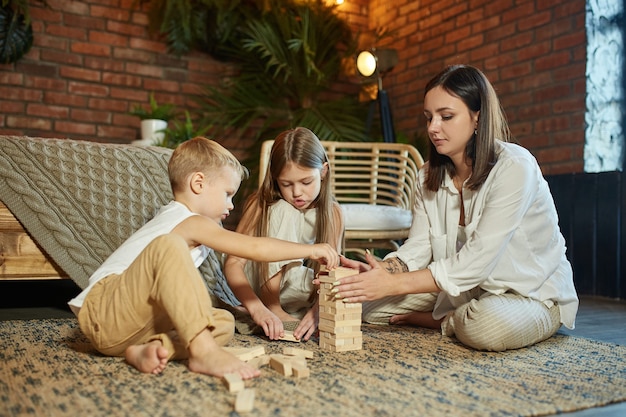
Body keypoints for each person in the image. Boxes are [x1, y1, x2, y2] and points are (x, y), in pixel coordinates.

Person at [335, 65, 579, 351]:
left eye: (446, 117)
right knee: (370, 308)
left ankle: (446, 321)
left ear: (477, 117)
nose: (432, 128)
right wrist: (384, 271)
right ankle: (455, 316)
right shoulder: (427, 176)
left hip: (529, 294)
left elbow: (477, 261)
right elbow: (419, 245)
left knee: (485, 327)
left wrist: (394, 285)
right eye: (428, 117)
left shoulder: (515, 167)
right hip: (467, 291)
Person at [68, 137, 339, 378]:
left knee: (221, 323)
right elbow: (254, 248)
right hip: (104, 310)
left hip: (128, 330)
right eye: (227, 194)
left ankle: (143, 350)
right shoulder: (188, 221)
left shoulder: (195, 225)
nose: (231, 205)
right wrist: (310, 250)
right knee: (168, 246)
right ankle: (203, 352)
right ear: (198, 183)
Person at [223, 127, 344, 342]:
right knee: (283, 209)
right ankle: (271, 308)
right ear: (275, 178)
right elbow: (233, 263)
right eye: (286, 184)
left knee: (349, 292)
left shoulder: (332, 212)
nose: (297, 192)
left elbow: (331, 270)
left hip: (293, 287)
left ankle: (263, 313)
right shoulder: (262, 205)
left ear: (323, 172)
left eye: (306, 182)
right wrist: (258, 308)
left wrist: (318, 311)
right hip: (256, 282)